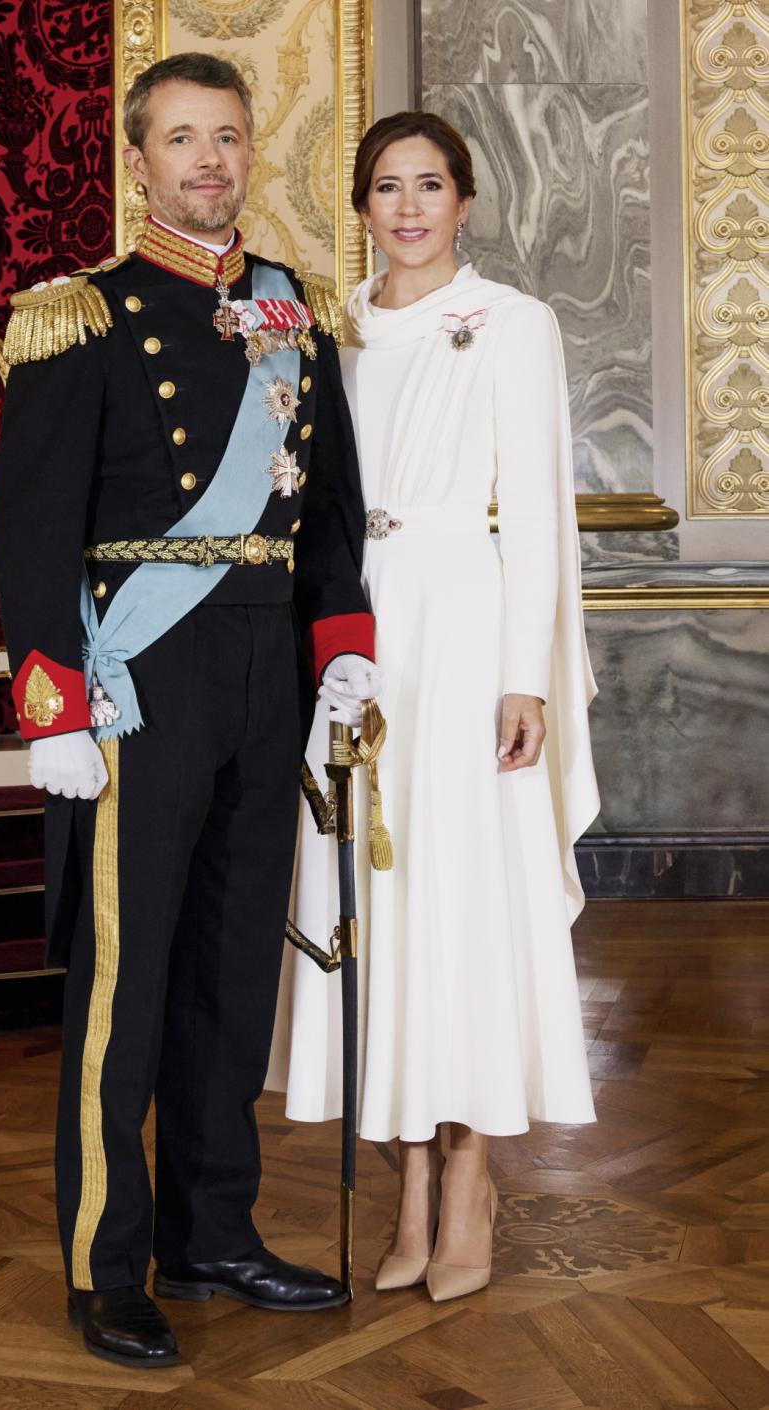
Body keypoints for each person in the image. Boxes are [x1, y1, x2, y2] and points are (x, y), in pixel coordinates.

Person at [0, 52, 381, 1370]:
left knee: (229, 973)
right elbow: (34, 531)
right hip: (137, 683)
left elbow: (327, 510)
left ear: (251, 151)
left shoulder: (292, 317)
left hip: (266, 675)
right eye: (182, 139)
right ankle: (110, 1262)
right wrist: (50, 706)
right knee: (128, 980)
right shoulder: (78, 320)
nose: (209, 159)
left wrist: (340, 647)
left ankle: (214, 1230)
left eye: (228, 136)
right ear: (138, 161)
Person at [268, 110, 600, 1303]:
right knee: (377, 904)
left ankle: (469, 1175)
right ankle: (403, 1174)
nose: (405, 208)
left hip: (464, 626)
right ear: (358, 206)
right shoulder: (328, 332)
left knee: (458, 896)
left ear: (465, 200)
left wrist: (525, 672)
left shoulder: (512, 326)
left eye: (429, 186)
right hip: (359, 633)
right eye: (383, 188)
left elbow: (540, 518)